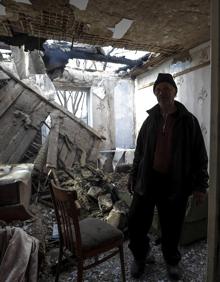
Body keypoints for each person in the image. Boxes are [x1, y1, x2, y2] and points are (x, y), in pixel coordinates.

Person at [127, 73, 209, 280]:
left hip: (175, 183)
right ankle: (141, 255)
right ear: (155, 93)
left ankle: (172, 261)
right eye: (159, 89)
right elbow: (139, 153)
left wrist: (200, 186)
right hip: (148, 180)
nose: (162, 92)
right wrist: (133, 176)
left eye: (167, 88)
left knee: (172, 227)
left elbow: (200, 156)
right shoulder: (150, 121)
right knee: (136, 222)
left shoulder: (189, 121)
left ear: (175, 91)